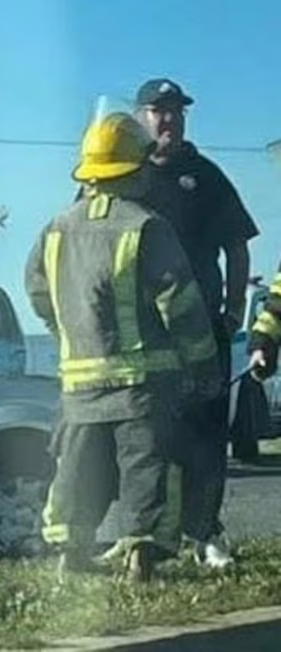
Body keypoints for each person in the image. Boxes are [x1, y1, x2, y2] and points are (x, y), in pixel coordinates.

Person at [25, 105, 223, 581]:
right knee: (148, 471)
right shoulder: (145, 226)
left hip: (79, 389)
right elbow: (181, 305)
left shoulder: (55, 230)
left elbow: (37, 291)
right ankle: (141, 557)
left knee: (76, 471)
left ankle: (70, 556)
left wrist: (69, 333)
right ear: (136, 169)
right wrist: (203, 369)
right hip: (143, 387)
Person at [133, 77, 260, 568]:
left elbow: (238, 246)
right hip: (144, 334)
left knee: (206, 435)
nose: (170, 119)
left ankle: (206, 532)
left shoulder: (205, 176)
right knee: (151, 439)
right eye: (159, 111)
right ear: (141, 117)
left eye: (177, 111)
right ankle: (151, 540)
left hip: (203, 327)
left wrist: (231, 312)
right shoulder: (128, 176)